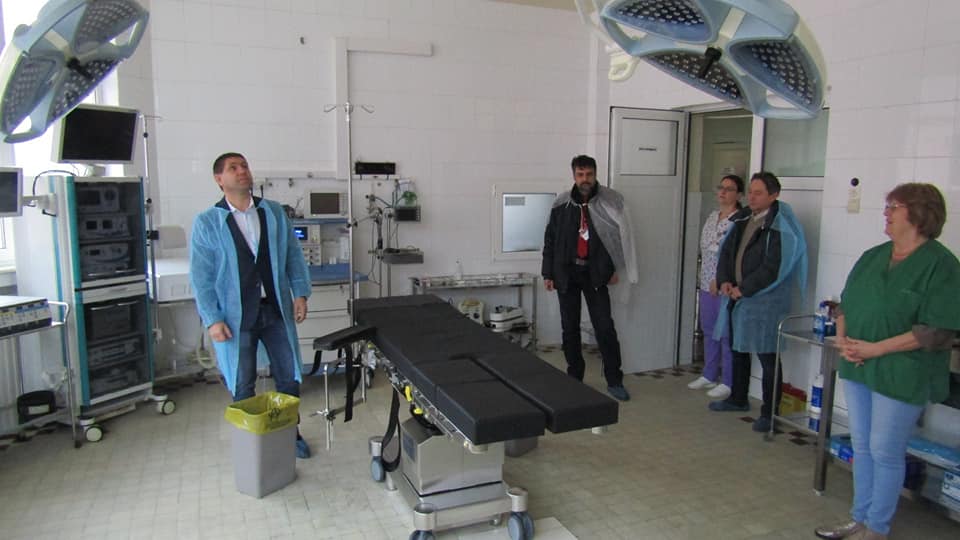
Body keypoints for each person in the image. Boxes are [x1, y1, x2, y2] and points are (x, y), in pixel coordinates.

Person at [815, 183, 960, 540]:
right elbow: (846, 304)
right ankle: (859, 518)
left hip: (903, 371)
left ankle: (876, 528)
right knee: (863, 445)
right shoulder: (873, 257)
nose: (886, 213)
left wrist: (876, 349)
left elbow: (934, 330)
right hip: (859, 364)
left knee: (884, 449)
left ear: (919, 214)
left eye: (894, 207)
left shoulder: (941, 265)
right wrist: (844, 340)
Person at [190, 152, 313, 458]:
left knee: (289, 376)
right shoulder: (208, 222)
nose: (242, 171)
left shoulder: (273, 213)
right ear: (219, 179)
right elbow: (201, 276)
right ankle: (250, 444)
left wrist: (299, 293)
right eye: (233, 168)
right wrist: (212, 318)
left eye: (244, 165)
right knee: (242, 382)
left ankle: (290, 435)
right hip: (236, 317)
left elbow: (293, 255)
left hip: (275, 309)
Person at [708, 171, 807, 433]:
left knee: (767, 355)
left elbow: (773, 267)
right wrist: (725, 280)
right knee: (738, 348)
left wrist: (744, 289)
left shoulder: (780, 226)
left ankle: (769, 413)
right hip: (737, 296)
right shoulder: (743, 218)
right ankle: (738, 398)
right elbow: (726, 253)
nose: (752, 197)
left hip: (765, 301)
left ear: (774, 195)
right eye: (750, 192)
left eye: (758, 193)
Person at [542, 154, 639, 402]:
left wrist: (615, 268)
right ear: (574, 176)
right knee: (569, 328)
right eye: (580, 175)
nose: (585, 179)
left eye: (589, 174)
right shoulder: (561, 204)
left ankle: (614, 380)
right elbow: (550, 239)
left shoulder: (610, 201)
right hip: (567, 273)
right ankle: (574, 376)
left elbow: (621, 238)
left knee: (604, 327)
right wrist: (548, 273)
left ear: (596, 174)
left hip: (596, 273)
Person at [687, 174, 743, 399]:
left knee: (726, 333)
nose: (723, 192)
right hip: (705, 281)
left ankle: (728, 379)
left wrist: (720, 279)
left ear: (739, 195)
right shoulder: (712, 217)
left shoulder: (739, 221)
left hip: (725, 285)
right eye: (721, 187)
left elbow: (735, 256)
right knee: (709, 329)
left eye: (729, 189)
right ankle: (709, 374)